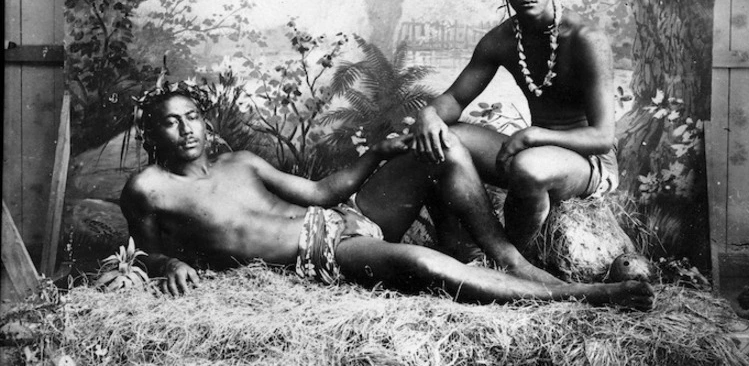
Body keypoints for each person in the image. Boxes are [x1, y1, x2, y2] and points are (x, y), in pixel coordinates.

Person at [119, 82, 652, 309]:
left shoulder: (241, 162)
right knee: (421, 263)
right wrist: (166, 264)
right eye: (171, 123)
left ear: (205, 122)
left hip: (347, 219)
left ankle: (505, 257)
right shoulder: (148, 187)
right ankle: (588, 298)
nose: (186, 129)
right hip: (319, 256)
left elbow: (322, 191)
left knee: (436, 145)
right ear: (152, 134)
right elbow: (143, 250)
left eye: (192, 117)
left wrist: (380, 152)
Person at [411, 0, 619, 254]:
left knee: (529, 166)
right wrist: (428, 114)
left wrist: (534, 135)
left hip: (587, 163)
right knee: (443, 139)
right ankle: (466, 252)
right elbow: (454, 99)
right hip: (530, 152)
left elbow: (603, 137)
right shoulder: (502, 40)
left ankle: (516, 263)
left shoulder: (586, 40)